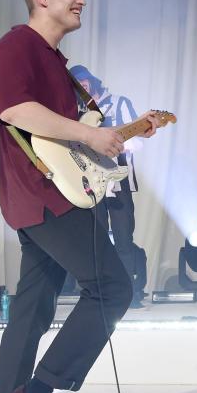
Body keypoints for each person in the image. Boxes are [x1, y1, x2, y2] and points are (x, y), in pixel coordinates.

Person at [0, 0, 162, 393]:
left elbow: (66, 135)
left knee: (33, 309)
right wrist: (88, 135)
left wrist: (118, 136)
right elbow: (15, 111)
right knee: (113, 289)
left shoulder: (58, 63)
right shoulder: (17, 46)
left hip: (49, 191)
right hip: (47, 196)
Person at [67, 65, 148, 307]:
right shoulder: (77, 113)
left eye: (84, 81)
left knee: (124, 239)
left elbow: (138, 142)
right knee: (97, 240)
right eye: (76, 83)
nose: (81, 85)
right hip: (91, 183)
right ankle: (102, 293)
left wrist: (117, 144)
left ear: (92, 82)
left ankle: (128, 294)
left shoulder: (120, 103)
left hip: (118, 180)